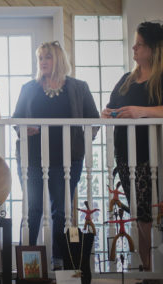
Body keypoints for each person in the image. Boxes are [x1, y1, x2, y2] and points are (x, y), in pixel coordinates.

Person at [13, 41, 99, 269]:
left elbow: (94, 120)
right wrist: (24, 130)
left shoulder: (78, 87)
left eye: (47, 57)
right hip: (33, 159)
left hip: (67, 161)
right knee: (33, 210)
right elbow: (16, 120)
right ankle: (27, 264)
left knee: (60, 211)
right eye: (40, 58)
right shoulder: (28, 88)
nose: (42, 62)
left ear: (59, 60)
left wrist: (81, 141)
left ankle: (58, 262)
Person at [101, 21, 163, 270]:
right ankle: (147, 266)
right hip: (125, 155)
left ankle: (152, 267)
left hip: (151, 155)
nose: (134, 48)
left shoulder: (160, 78)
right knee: (138, 211)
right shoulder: (127, 79)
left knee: (150, 211)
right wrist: (107, 113)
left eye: (140, 44)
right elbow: (112, 106)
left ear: (153, 48)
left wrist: (142, 111)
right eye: (134, 44)